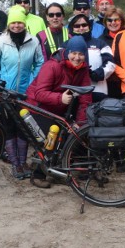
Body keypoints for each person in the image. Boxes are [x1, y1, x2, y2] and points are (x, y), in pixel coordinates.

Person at [25, 36, 92, 188]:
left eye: (81, 54)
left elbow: (85, 99)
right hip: (37, 106)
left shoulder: (83, 69)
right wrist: (59, 98)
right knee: (52, 135)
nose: (77, 57)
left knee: (70, 134)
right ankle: (37, 174)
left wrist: (80, 124)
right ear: (68, 52)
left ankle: (57, 170)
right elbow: (39, 93)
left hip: (60, 109)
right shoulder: (52, 66)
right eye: (74, 53)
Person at [0, 5, 44, 180]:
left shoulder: (33, 41)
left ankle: (23, 162)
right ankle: (15, 164)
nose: (17, 26)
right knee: (9, 128)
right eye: (13, 22)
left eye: (20, 22)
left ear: (24, 24)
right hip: (4, 93)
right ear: (9, 24)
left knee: (24, 128)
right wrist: (0, 84)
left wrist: (32, 83)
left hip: (25, 93)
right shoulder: (0, 41)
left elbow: (40, 63)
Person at [65, 14, 114, 102]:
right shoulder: (65, 45)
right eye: (77, 26)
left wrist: (98, 74)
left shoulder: (101, 43)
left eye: (84, 25)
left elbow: (111, 63)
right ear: (72, 28)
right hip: (72, 91)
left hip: (98, 89)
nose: (81, 28)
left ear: (90, 27)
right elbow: (59, 65)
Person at [99, 6, 125, 98]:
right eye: (110, 20)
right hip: (109, 83)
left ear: (122, 21)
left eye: (116, 20)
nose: (113, 23)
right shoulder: (100, 40)